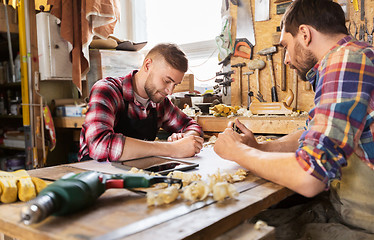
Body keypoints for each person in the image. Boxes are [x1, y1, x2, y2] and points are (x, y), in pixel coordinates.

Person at [214, 0, 374, 238]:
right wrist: (260, 147)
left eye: (286, 46)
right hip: (346, 208)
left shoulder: (345, 61)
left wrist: (238, 153)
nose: (286, 59)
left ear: (305, 34)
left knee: (237, 233)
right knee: (255, 221)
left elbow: (310, 177)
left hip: (364, 223)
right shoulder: (354, 56)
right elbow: (313, 132)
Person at [79, 43, 204, 162]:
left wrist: (186, 139)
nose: (170, 91)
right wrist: (172, 149)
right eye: (167, 81)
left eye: (175, 85)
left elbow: (190, 125)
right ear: (147, 65)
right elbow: (99, 145)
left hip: (135, 173)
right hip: (96, 174)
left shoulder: (160, 102)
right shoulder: (107, 90)